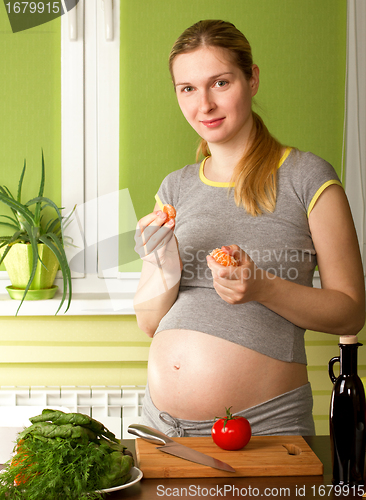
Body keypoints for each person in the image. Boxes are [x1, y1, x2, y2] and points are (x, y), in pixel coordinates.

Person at [133, 20, 365, 437]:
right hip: (162, 427)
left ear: (251, 79)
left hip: (262, 428)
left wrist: (262, 287)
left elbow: (351, 311)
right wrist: (161, 259)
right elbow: (150, 322)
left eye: (219, 83)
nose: (203, 105)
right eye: (187, 88)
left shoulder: (306, 177)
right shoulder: (176, 186)